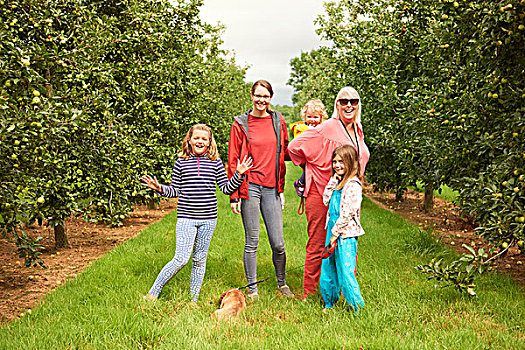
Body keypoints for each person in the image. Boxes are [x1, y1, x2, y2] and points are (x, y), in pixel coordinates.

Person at [141, 124, 253, 303]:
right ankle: (152, 294)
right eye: (196, 138)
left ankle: (193, 300)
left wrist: (239, 174)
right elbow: (175, 190)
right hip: (186, 218)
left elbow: (225, 188)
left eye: (204, 139)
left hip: (208, 219)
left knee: (199, 260)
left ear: (209, 142)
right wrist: (160, 188)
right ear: (189, 140)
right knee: (181, 259)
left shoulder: (215, 162)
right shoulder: (181, 162)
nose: (200, 141)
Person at [288, 87, 370, 300]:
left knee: (343, 241)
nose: (349, 105)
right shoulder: (328, 127)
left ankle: (337, 291)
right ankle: (310, 292)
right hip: (323, 192)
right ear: (337, 104)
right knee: (318, 242)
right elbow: (295, 146)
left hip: (347, 194)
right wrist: (316, 167)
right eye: (344, 101)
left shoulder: (357, 129)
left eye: (353, 101)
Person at [227, 79, 294, 299]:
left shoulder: (278, 120)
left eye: (265, 96)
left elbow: (286, 150)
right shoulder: (240, 124)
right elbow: (234, 159)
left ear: (271, 98)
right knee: (252, 240)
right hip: (250, 187)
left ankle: (282, 283)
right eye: (258, 95)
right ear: (251, 96)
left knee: (278, 242)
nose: (261, 100)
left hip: (272, 187)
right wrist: (234, 195)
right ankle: (253, 289)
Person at [320, 145, 365, 313]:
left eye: (341, 162)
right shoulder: (338, 182)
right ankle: (329, 302)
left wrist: (335, 234)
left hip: (345, 234)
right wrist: (333, 180)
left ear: (351, 163)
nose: (337, 165)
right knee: (328, 267)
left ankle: (357, 307)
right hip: (332, 230)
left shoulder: (353, 185)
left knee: (345, 271)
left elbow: (347, 213)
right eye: (334, 162)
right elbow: (326, 200)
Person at [289, 99, 328, 198]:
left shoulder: (323, 128)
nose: (312, 120)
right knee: (309, 168)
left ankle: (304, 184)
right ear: (304, 117)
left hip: (319, 155)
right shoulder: (303, 128)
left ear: (321, 118)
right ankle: (301, 183)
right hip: (308, 155)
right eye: (309, 117)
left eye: (315, 117)